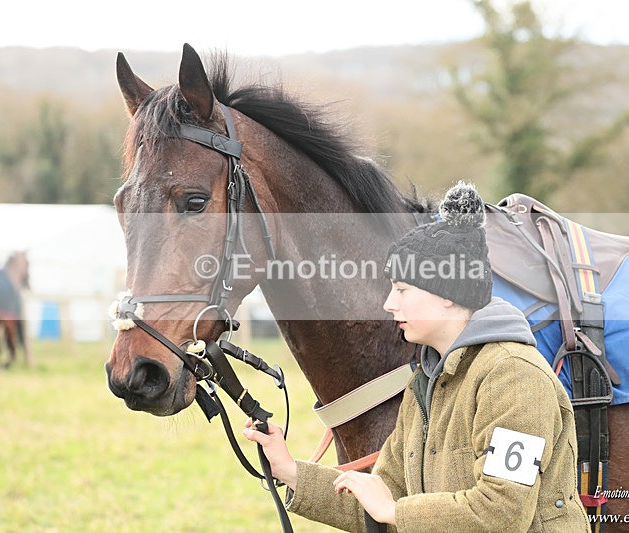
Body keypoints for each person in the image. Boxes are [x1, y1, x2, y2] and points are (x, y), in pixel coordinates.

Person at [243, 182, 589, 532]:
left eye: (403, 290)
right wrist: (290, 471)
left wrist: (396, 513)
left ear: (448, 294)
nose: (389, 304)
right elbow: (381, 497)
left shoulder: (514, 378)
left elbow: (501, 511)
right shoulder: (424, 382)